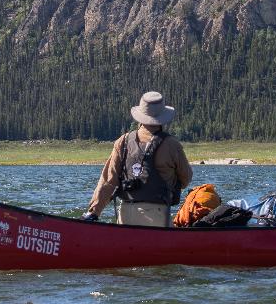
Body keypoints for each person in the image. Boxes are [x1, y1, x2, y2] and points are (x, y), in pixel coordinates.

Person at [82, 91, 193, 227]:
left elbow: (108, 181)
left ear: (140, 117)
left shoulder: (123, 141)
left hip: (126, 214)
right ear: (163, 118)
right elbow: (186, 178)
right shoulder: (172, 144)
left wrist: (94, 212)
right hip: (158, 215)